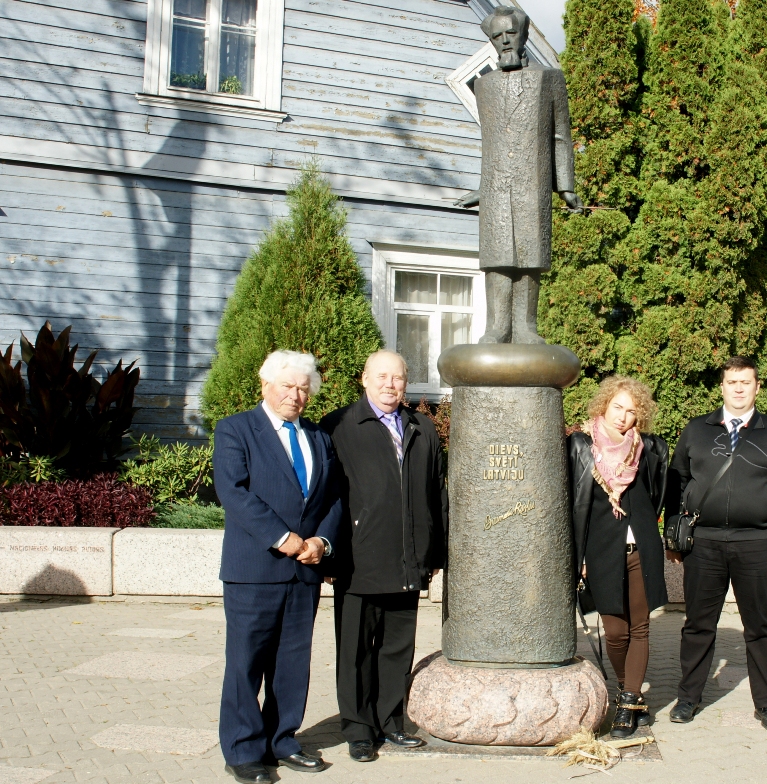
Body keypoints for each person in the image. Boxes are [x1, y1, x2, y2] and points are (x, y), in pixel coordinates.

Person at [214, 350, 341, 783]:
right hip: (254, 569)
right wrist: (282, 537)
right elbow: (233, 492)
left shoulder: (319, 437)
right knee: (247, 662)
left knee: (291, 663)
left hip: (304, 570)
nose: (296, 395)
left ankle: (283, 740)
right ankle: (244, 750)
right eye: (287, 386)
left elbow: (334, 497)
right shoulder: (235, 430)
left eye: (304, 388)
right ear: (265, 385)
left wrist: (322, 542)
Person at [665, 356, 767, 731]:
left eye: (746, 382)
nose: (739, 388)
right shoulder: (697, 430)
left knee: (760, 627)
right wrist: (673, 536)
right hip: (705, 543)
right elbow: (676, 483)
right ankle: (688, 698)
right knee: (698, 624)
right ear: (722, 386)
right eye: (732, 382)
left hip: (759, 543)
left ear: (757, 387)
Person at [320, 350, 448, 762]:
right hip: (358, 561)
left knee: (396, 647)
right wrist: (328, 554)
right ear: (364, 378)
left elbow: (436, 495)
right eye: (381, 376)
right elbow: (326, 496)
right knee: (355, 650)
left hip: (408, 560)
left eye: (397, 378)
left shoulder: (422, 428)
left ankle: (391, 721)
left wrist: (436, 551)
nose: (390, 384)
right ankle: (358, 728)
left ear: (406, 382)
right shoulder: (339, 426)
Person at [455, 4, 582, 344]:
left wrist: (565, 186)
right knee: (497, 258)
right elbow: (491, 144)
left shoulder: (549, 79)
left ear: (524, 34)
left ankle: (526, 327)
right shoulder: (484, 87)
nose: (505, 41)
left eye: (511, 33)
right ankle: (497, 326)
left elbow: (559, 136)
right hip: (496, 187)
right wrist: (482, 189)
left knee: (529, 254)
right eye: (498, 36)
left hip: (534, 182)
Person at [568, 376, 669, 738]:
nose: (623, 417)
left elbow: (656, 496)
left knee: (639, 627)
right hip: (600, 551)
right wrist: (577, 555)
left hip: (641, 547)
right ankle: (635, 696)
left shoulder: (650, 448)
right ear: (604, 406)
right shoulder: (580, 445)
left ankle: (626, 702)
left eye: (631, 411)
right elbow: (573, 505)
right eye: (617, 408)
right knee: (614, 631)